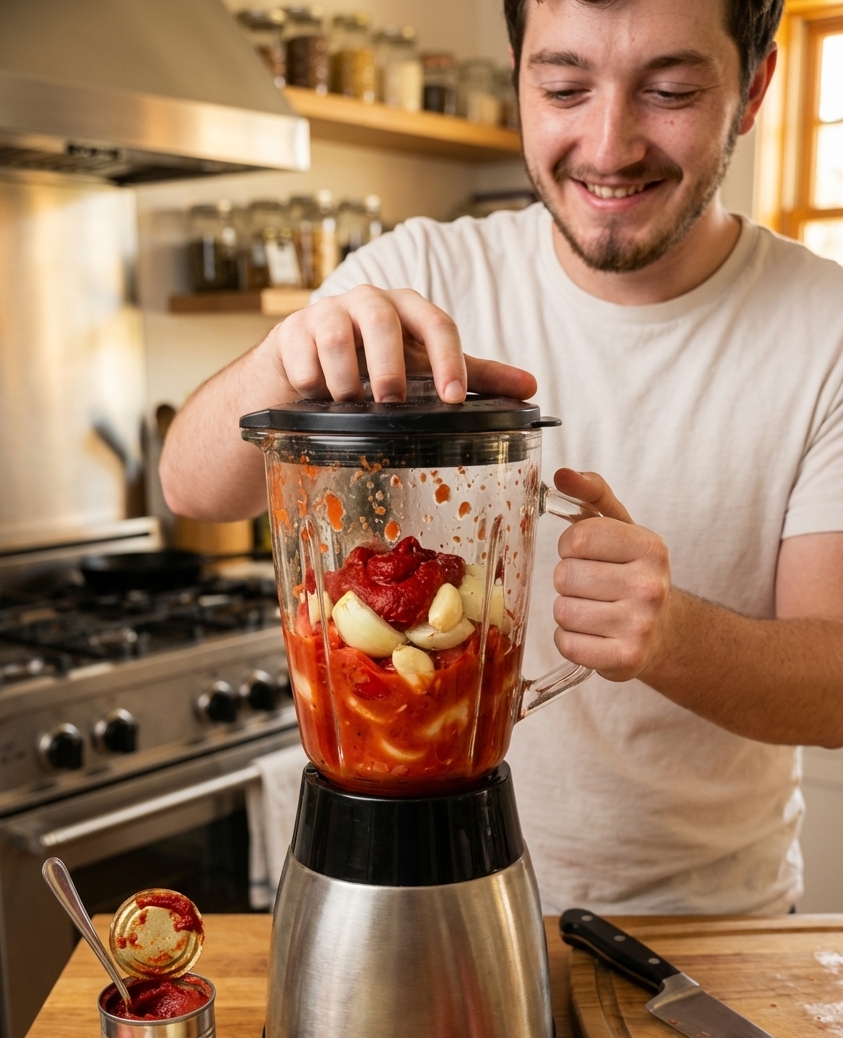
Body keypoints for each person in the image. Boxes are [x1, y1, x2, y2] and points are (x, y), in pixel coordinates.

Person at [161, 0, 843, 916]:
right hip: (398, 901)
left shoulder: (824, 331)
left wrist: (673, 635)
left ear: (753, 89)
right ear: (518, 76)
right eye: (563, 88)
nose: (608, 145)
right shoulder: (421, 274)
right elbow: (190, 487)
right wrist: (278, 363)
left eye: (670, 90)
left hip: (705, 931)